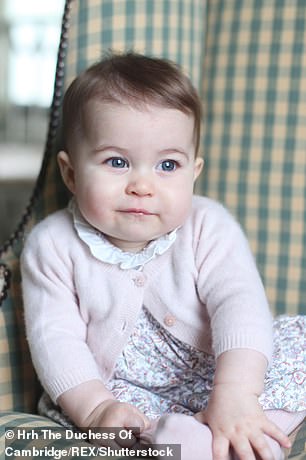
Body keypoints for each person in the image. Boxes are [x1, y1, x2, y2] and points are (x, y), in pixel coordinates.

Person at [21, 52, 305, 460]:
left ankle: (245, 428)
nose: (142, 185)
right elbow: (56, 340)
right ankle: (186, 441)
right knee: (116, 421)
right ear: (71, 174)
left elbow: (239, 304)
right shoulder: (51, 245)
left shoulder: (208, 225)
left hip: (222, 371)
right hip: (125, 390)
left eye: (167, 165)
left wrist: (235, 393)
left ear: (194, 172)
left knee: (296, 345)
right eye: (117, 162)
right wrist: (96, 408)